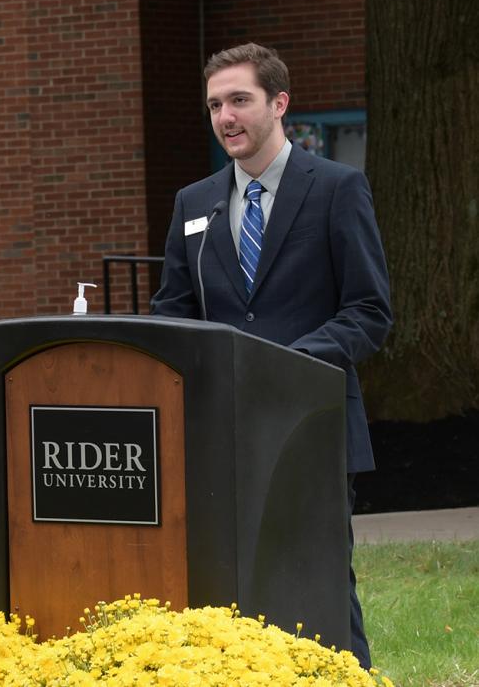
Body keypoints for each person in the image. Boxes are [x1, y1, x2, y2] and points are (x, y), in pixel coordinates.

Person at [151, 42, 392, 670]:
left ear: (279, 103)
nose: (225, 117)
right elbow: (172, 312)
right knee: (224, 586)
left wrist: (283, 363)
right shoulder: (192, 204)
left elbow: (369, 311)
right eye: (214, 105)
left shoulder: (337, 189)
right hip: (216, 430)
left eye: (239, 100)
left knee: (320, 583)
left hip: (309, 423)